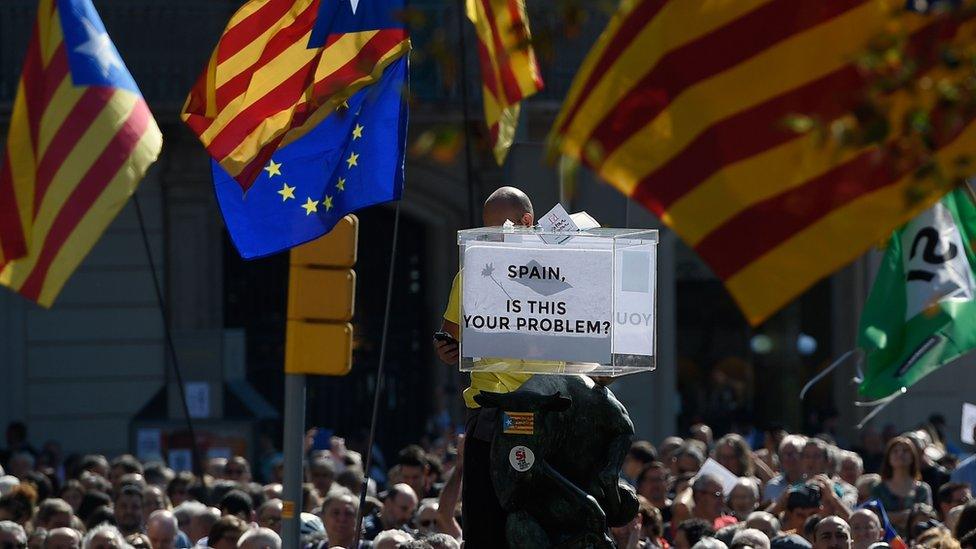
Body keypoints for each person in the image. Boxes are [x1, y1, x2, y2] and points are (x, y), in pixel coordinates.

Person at [433, 186, 536, 548]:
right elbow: (450, 337)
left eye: (502, 226)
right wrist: (446, 348)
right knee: (485, 529)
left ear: (527, 221)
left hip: (554, 412)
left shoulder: (566, 268)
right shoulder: (473, 273)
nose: (493, 236)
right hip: (490, 418)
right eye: (487, 229)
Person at [870, 436, 933, 534]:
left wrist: (891, 516)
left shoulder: (922, 489)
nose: (900, 454)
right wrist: (907, 516)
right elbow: (875, 518)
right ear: (888, 458)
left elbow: (925, 517)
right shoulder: (878, 489)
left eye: (905, 451)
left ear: (913, 457)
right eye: (895, 451)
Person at [764, 436, 807, 504]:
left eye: (791, 454)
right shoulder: (773, 486)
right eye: (783, 454)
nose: (786, 458)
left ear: (804, 455)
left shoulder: (811, 484)